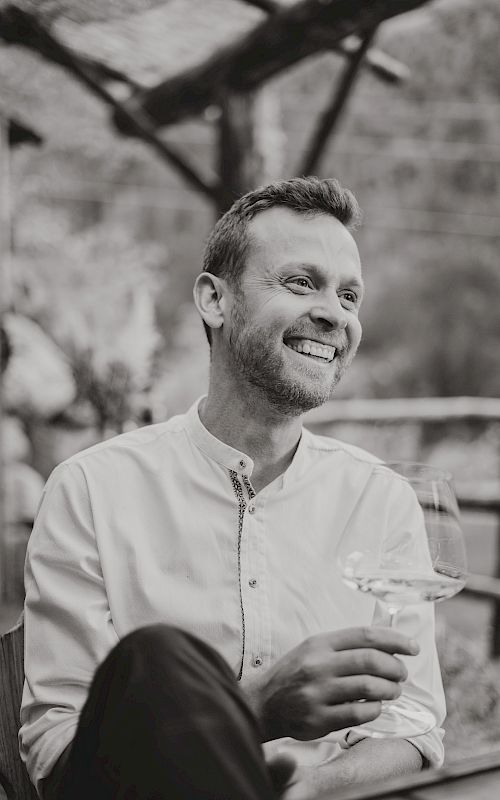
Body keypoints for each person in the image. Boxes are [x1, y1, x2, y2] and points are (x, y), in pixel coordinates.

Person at [20, 177, 445, 800]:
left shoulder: (381, 500)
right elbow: (59, 763)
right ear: (215, 301)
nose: (335, 314)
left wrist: (309, 789)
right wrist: (251, 709)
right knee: (157, 661)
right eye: (301, 284)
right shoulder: (88, 489)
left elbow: (416, 731)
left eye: (349, 295)